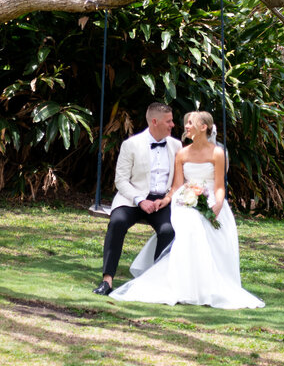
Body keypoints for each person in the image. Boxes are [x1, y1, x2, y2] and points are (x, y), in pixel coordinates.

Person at [108, 110, 264, 309]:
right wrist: (166, 200)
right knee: (191, 223)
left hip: (211, 201)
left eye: (190, 123)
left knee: (207, 224)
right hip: (185, 201)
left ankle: (207, 284)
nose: (185, 126)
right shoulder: (182, 153)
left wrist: (216, 206)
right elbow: (177, 186)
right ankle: (183, 283)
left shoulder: (217, 153)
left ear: (204, 127)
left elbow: (219, 187)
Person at [93, 102, 182, 296]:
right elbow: (121, 181)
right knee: (117, 222)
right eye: (169, 121)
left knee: (168, 230)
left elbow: (178, 180)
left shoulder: (176, 146)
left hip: (161, 201)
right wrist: (140, 200)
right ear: (155, 121)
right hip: (132, 198)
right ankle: (107, 280)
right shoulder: (131, 144)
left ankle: (156, 283)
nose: (173, 125)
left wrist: (166, 199)